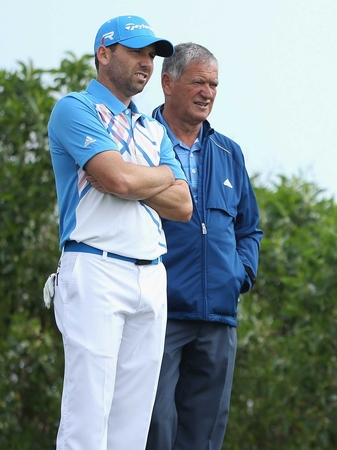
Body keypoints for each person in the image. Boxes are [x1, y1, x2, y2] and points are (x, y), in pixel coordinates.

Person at [45, 15, 193, 450]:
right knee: (87, 421)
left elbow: (183, 206)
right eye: (136, 52)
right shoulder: (75, 108)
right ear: (104, 54)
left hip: (151, 274)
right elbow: (118, 180)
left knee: (132, 427)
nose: (146, 63)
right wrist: (163, 173)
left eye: (151, 55)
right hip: (95, 266)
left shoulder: (151, 127)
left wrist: (137, 177)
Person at [145, 42, 263, 450]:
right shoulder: (139, 142)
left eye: (213, 84)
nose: (207, 92)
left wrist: (239, 275)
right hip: (158, 312)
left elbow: (250, 229)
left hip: (218, 317)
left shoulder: (229, 152)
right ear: (167, 83)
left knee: (204, 437)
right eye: (198, 81)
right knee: (152, 427)